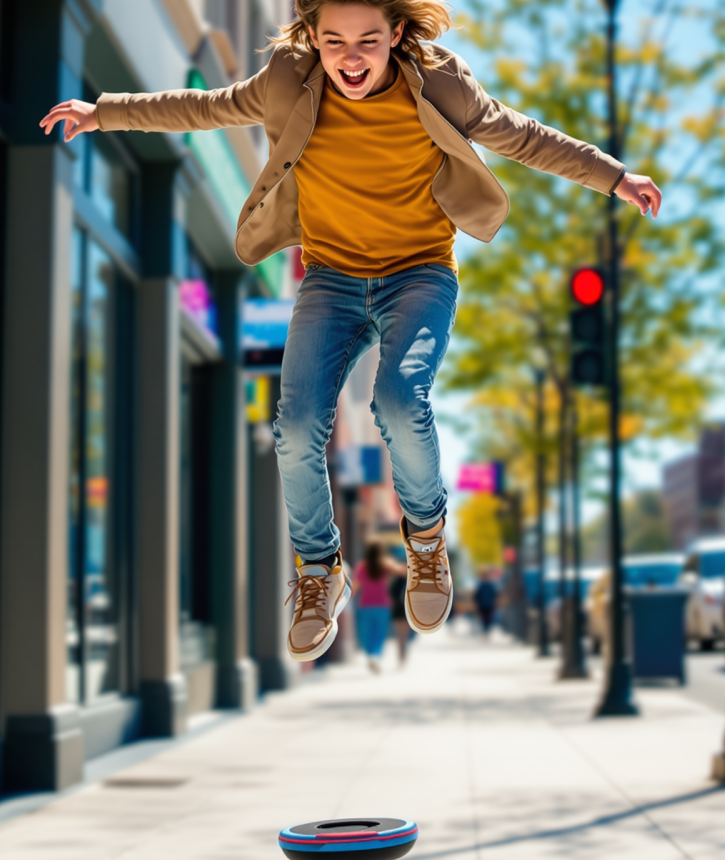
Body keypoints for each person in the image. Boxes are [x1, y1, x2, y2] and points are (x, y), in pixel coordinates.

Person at [40, 0, 661, 666]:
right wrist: (105, 112)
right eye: (334, 41)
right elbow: (207, 107)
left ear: (396, 34)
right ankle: (318, 570)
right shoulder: (288, 77)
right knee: (296, 424)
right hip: (331, 280)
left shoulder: (440, 82)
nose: (351, 57)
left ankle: (426, 539)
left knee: (398, 398)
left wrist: (614, 176)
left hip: (419, 274)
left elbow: (522, 135)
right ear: (312, 37)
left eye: (368, 39)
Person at [351, 540, 397, 671]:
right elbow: (399, 570)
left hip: (365, 605)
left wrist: (344, 600)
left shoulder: (362, 567)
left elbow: (355, 587)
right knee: (379, 633)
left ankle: (370, 655)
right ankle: (375, 656)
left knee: (366, 634)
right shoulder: (385, 565)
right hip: (382, 606)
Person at [474, 569, 499, 638]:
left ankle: (486, 630)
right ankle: (486, 630)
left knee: (486, 618)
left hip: (486, 604)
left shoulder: (483, 585)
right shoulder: (487, 585)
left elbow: (477, 596)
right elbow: (494, 594)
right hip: (486, 604)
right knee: (486, 618)